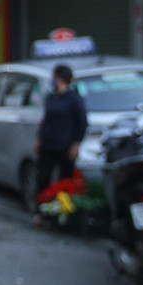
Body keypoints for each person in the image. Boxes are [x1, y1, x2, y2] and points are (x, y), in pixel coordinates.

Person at [35, 63, 88, 208]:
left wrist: (76, 143)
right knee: (43, 178)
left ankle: (63, 208)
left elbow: (82, 123)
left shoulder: (74, 99)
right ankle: (42, 209)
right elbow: (46, 120)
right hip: (48, 145)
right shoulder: (52, 97)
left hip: (65, 146)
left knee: (65, 180)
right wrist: (40, 139)